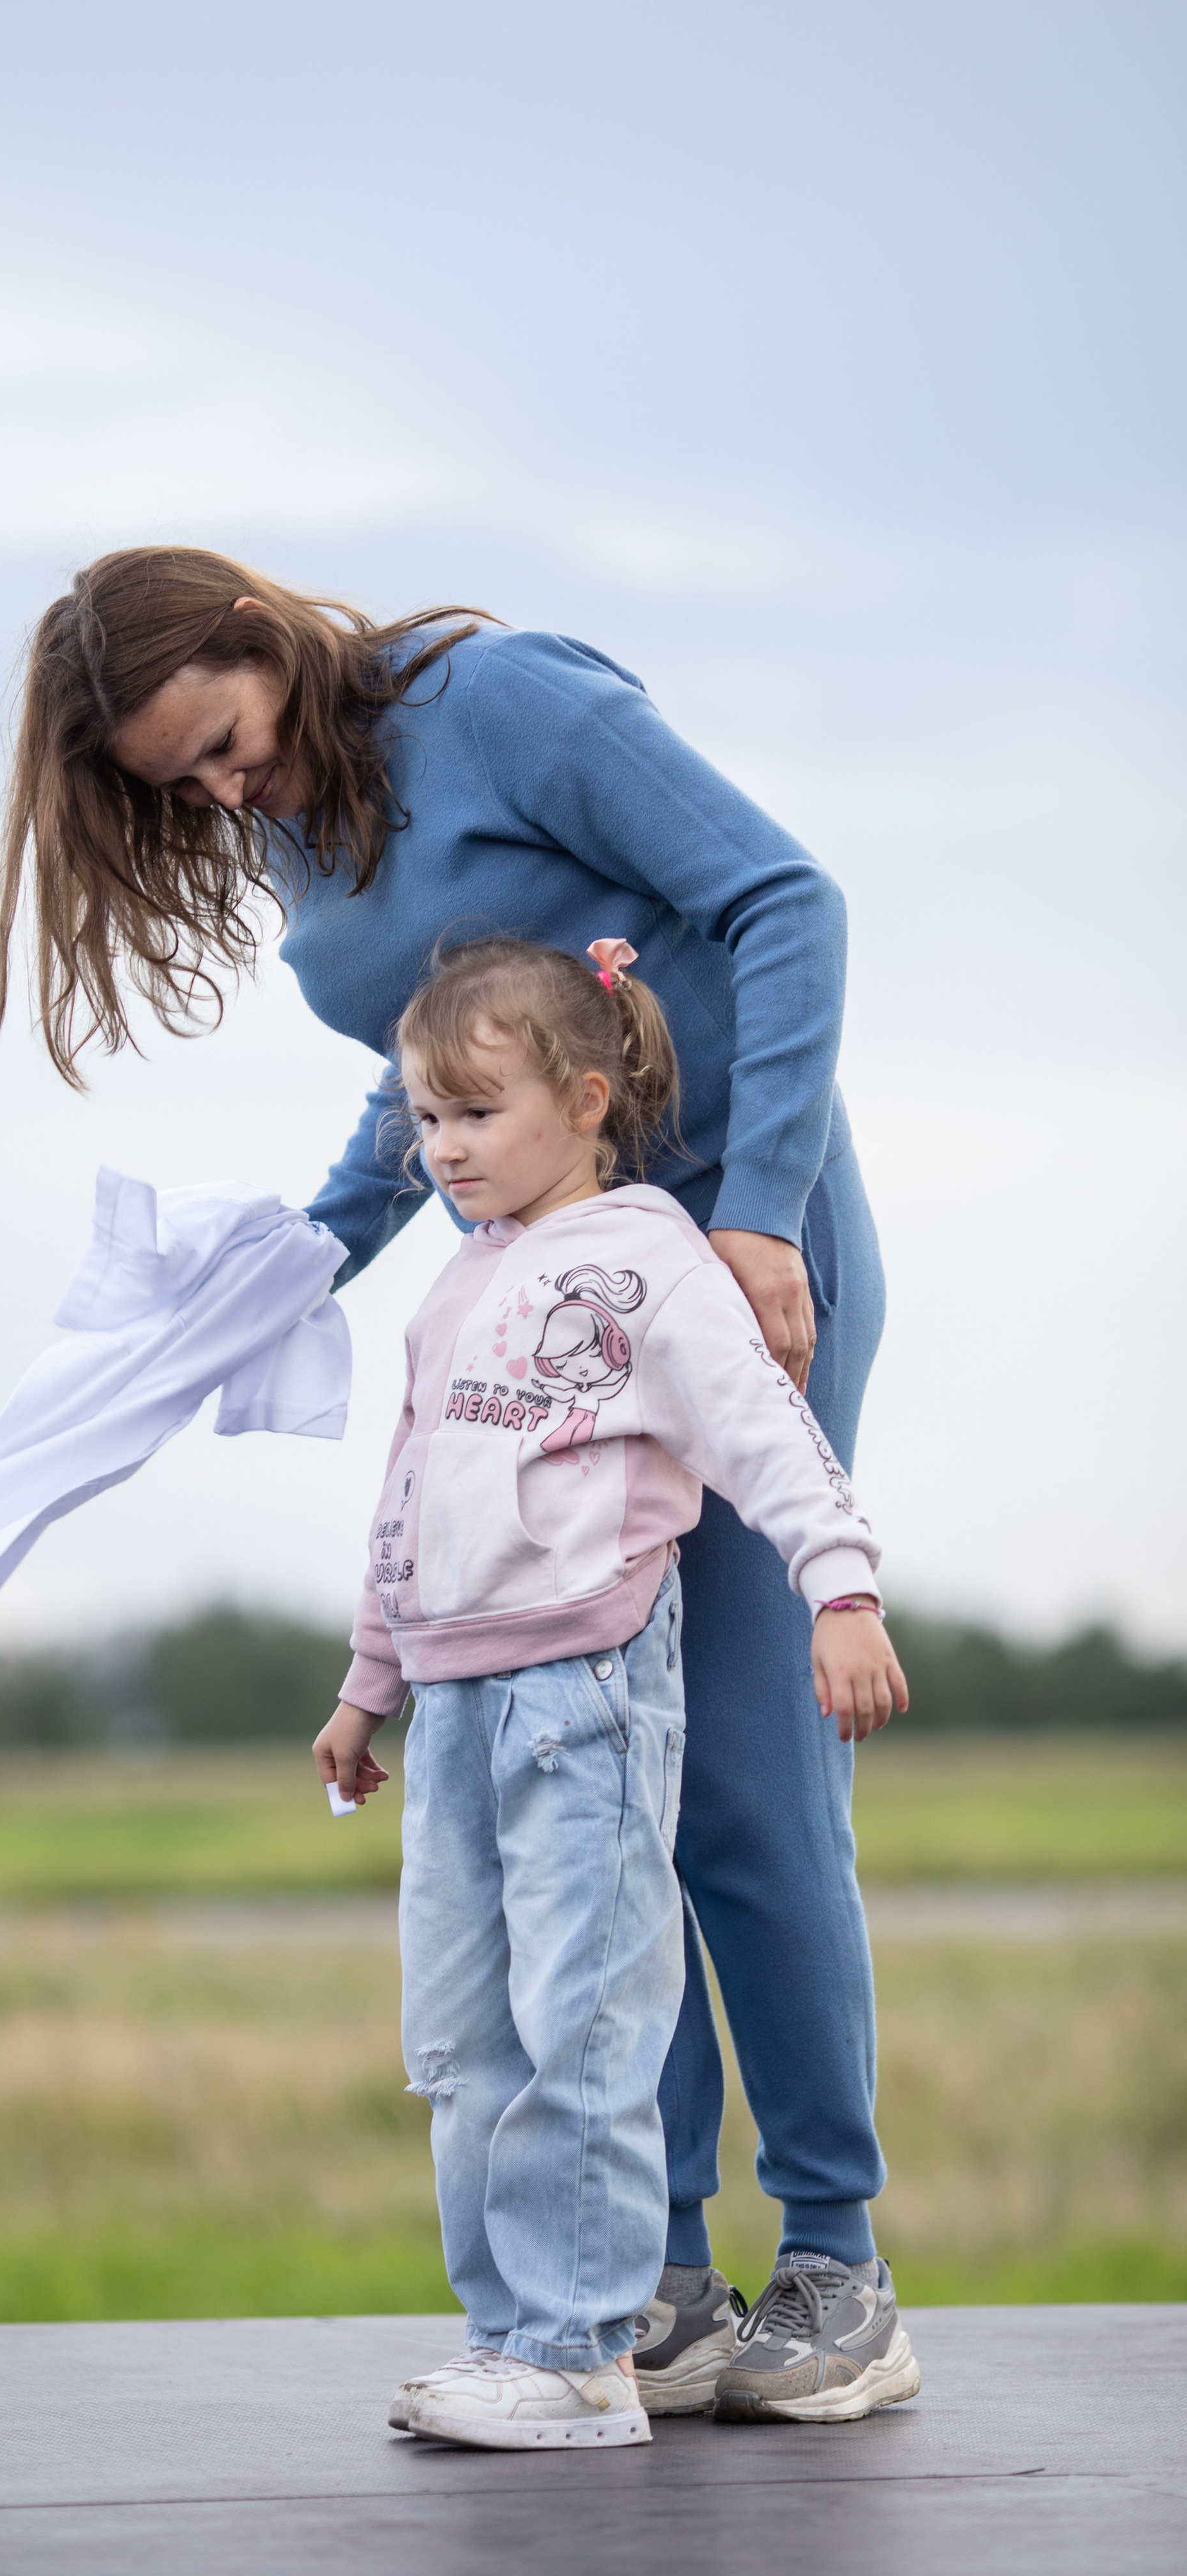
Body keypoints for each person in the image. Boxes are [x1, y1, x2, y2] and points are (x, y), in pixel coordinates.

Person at [0, 545, 910, 2418]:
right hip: (547, 1301)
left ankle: (840, 2270)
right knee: (599, 1797)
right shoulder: (299, 824)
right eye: (185, 791)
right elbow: (438, 1073)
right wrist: (280, 1279)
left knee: (735, 1775)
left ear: (268, 643)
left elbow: (784, 898)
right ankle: (654, 2272)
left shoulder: (500, 708)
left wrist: (753, 1223)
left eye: (228, 750)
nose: (225, 802)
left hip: (732, 1259)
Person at [309, 937, 912, 2443]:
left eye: (474, 1113)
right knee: (464, 2037)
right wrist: (366, 1678)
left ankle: (584, 2359)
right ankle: (515, 2333)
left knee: (582, 2018)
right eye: (424, 1121)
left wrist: (838, 1589)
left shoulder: (652, 1257)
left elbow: (764, 1433)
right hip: (450, 1709)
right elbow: (412, 1491)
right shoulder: (457, 1283)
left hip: (582, 1695)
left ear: (584, 1099)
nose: (443, 1150)